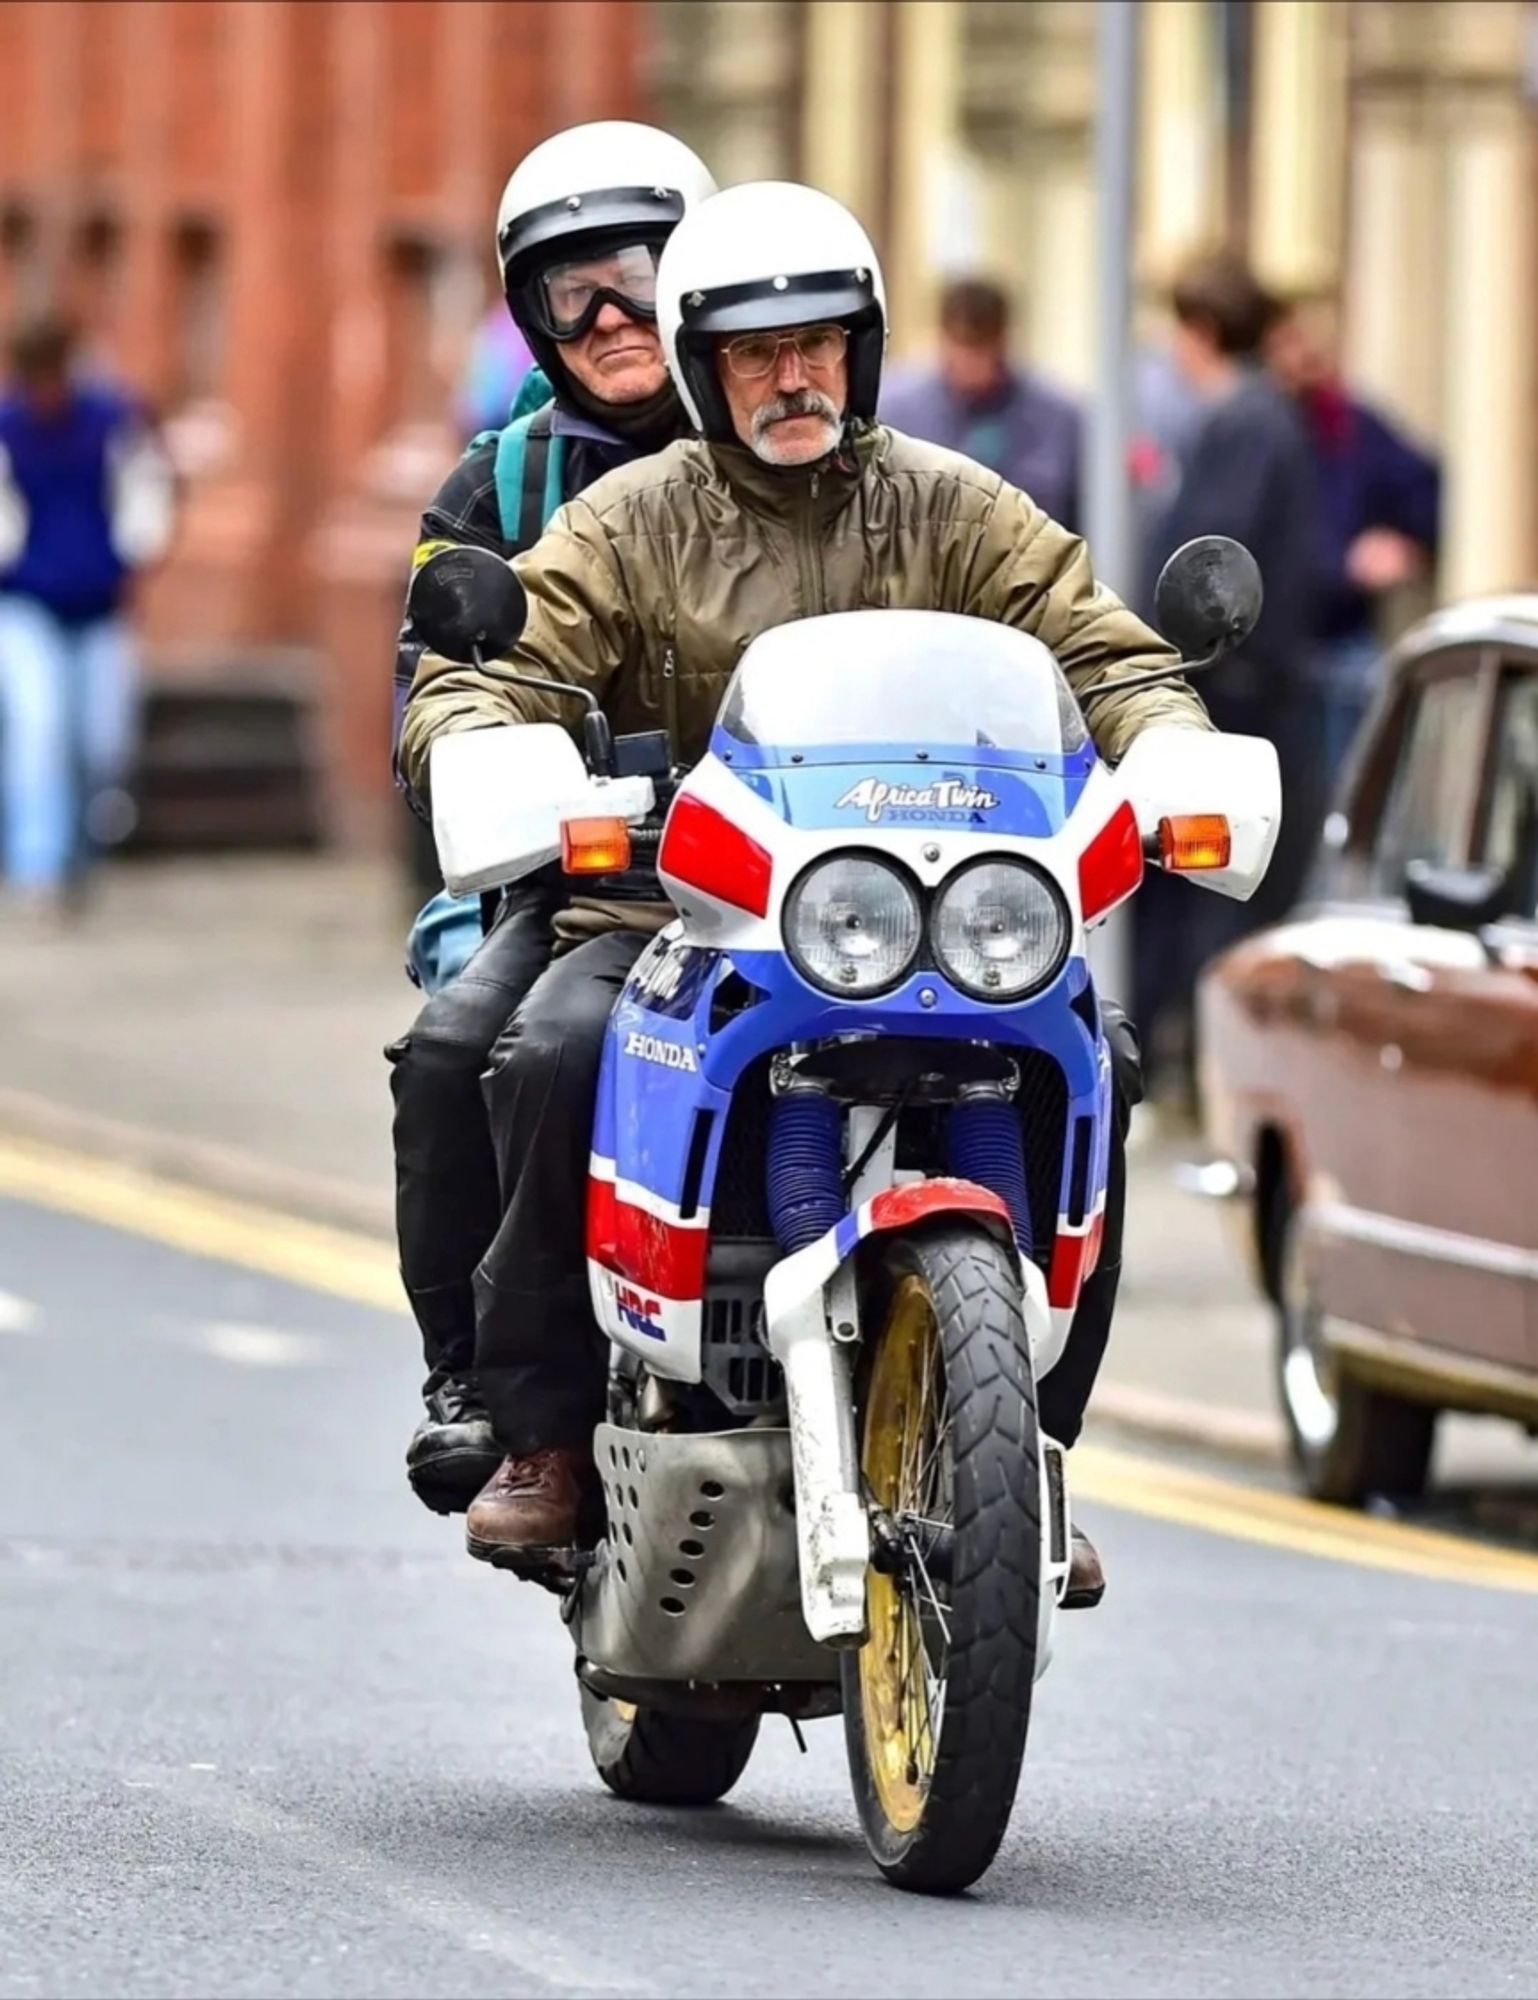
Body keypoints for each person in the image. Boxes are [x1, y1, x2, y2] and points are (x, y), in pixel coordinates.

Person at [400, 180, 1219, 1603]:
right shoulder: (633, 520)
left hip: (933, 912)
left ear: (865, 348)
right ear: (705, 369)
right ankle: (535, 1434)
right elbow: (492, 668)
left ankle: (1028, 1439)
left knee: (1095, 1060)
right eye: (756, 353)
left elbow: (1103, 649)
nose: (793, 377)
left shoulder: (951, 505)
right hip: (676, 916)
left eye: (821, 344)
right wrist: (488, 748)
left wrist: (1179, 756)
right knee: (550, 1050)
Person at [386, 121, 718, 1517]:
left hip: (825, 866)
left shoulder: (789, 435)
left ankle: (1011, 1442)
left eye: (636, 275)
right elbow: (431, 677)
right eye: (569, 291)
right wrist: (486, 766)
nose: (607, 317)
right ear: (528, 314)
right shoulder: (497, 485)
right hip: (584, 868)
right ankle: (489, 1392)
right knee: (462, 1050)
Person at [1134, 251, 1316, 1107]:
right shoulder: (1258, 418)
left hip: (1232, 695)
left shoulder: (1246, 424)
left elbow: (1206, 556)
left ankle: (1197, 1076)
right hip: (1243, 688)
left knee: (1207, 895)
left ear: (1202, 332)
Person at [0, 312, 174, 912]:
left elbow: (146, 491)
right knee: (39, 731)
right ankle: (38, 866)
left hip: (99, 606)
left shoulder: (109, 420)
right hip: (24, 604)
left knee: (102, 740)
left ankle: (80, 853)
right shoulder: (7, 428)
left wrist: (138, 548)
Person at [1266, 294, 1440, 790]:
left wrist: (1404, 545)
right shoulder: (1258, 428)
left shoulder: (1350, 425)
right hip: (1280, 648)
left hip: (1342, 638)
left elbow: (1427, 489)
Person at [880, 276, 1081, 530]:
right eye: (961, 345)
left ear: (1004, 341)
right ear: (941, 338)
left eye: (980, 347)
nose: (969, 362)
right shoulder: (894, 413)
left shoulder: (1060, 420)